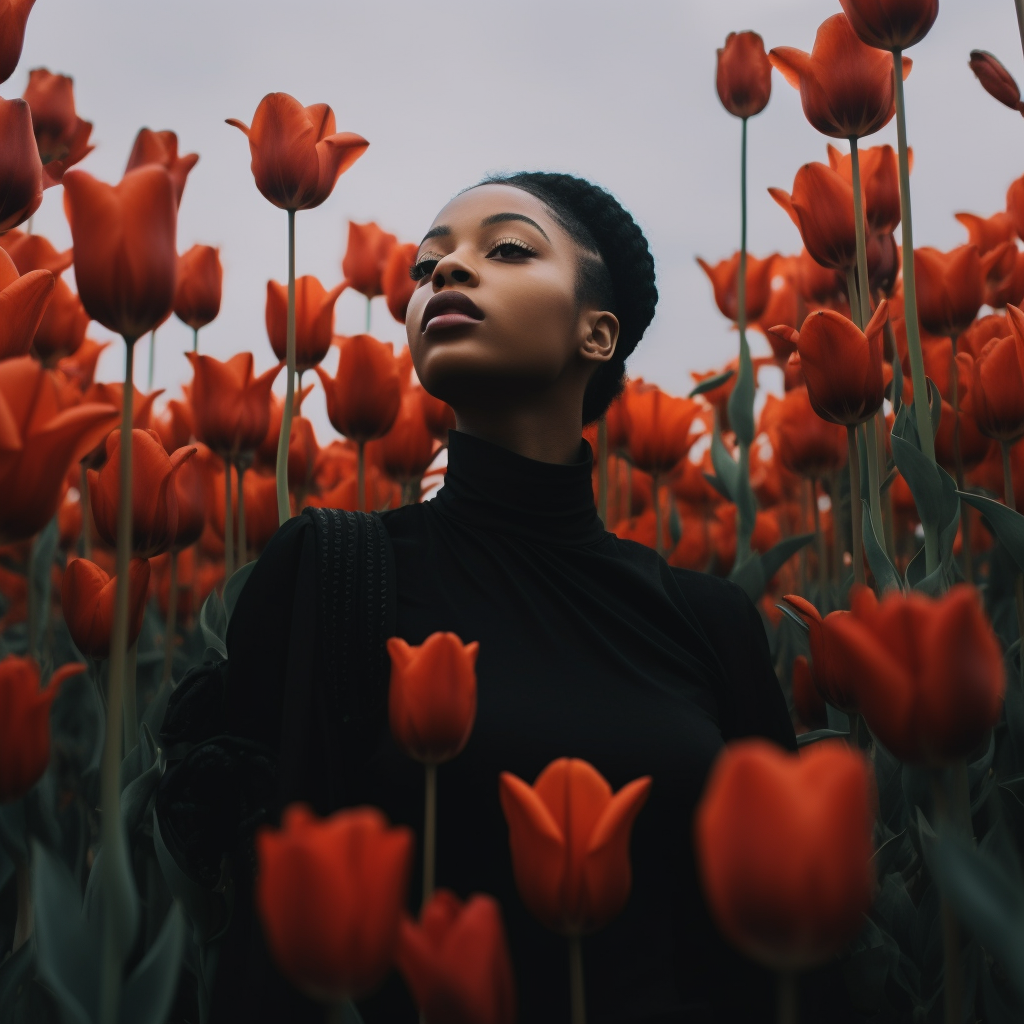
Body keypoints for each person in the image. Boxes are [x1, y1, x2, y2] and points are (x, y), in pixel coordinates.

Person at [161, 173, 800, 1023]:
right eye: (427, 268)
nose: (445, 277)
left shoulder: (709, 623)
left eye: (505, 250)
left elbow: (780, 953)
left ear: (597, 334)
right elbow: (256, 948)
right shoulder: (334, 571)